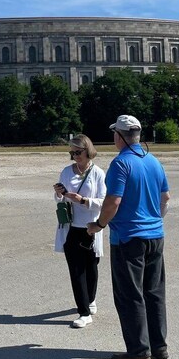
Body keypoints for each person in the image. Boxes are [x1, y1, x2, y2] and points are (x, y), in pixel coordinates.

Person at [87, 115, 171, 359]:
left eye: (115, 133)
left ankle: (138, 352)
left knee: (130, 295)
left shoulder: (121, 163)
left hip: (129, 239)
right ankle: (159, 345)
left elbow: (113, 201)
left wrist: (99, 225)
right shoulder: (153, 161)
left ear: (120, 136)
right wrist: (153, 220)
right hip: (155, 236)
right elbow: (165, 197)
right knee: (154, 292)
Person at [53, 134, 107, 328]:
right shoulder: (67, 172)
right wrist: (60, 193)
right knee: (76, 271)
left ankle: (90, 300)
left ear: (88, 151)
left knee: (91, 267)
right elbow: (59, 200)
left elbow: (104, 202)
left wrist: (83, 200)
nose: (75, 156)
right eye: (72, 152)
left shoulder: (98, 173)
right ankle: (83, 312)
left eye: (78, 152)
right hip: (72, 227)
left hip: (91, 227)